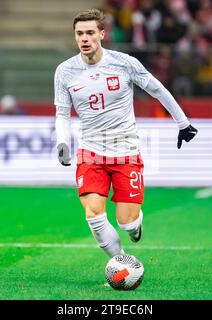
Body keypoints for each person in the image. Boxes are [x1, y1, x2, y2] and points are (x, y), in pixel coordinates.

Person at [54, 9, 197, 260]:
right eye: (79, 34)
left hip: (126, 150)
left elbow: (158, 90)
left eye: (89, 32)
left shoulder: (124, 63)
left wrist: (183, 123)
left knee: (126, 223)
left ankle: (135, 224)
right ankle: (121, 262)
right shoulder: (65, 71)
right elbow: (62, 113)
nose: (84, 38)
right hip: (90, 152)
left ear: (102, 33)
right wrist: (62, 142)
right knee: (93, 214)